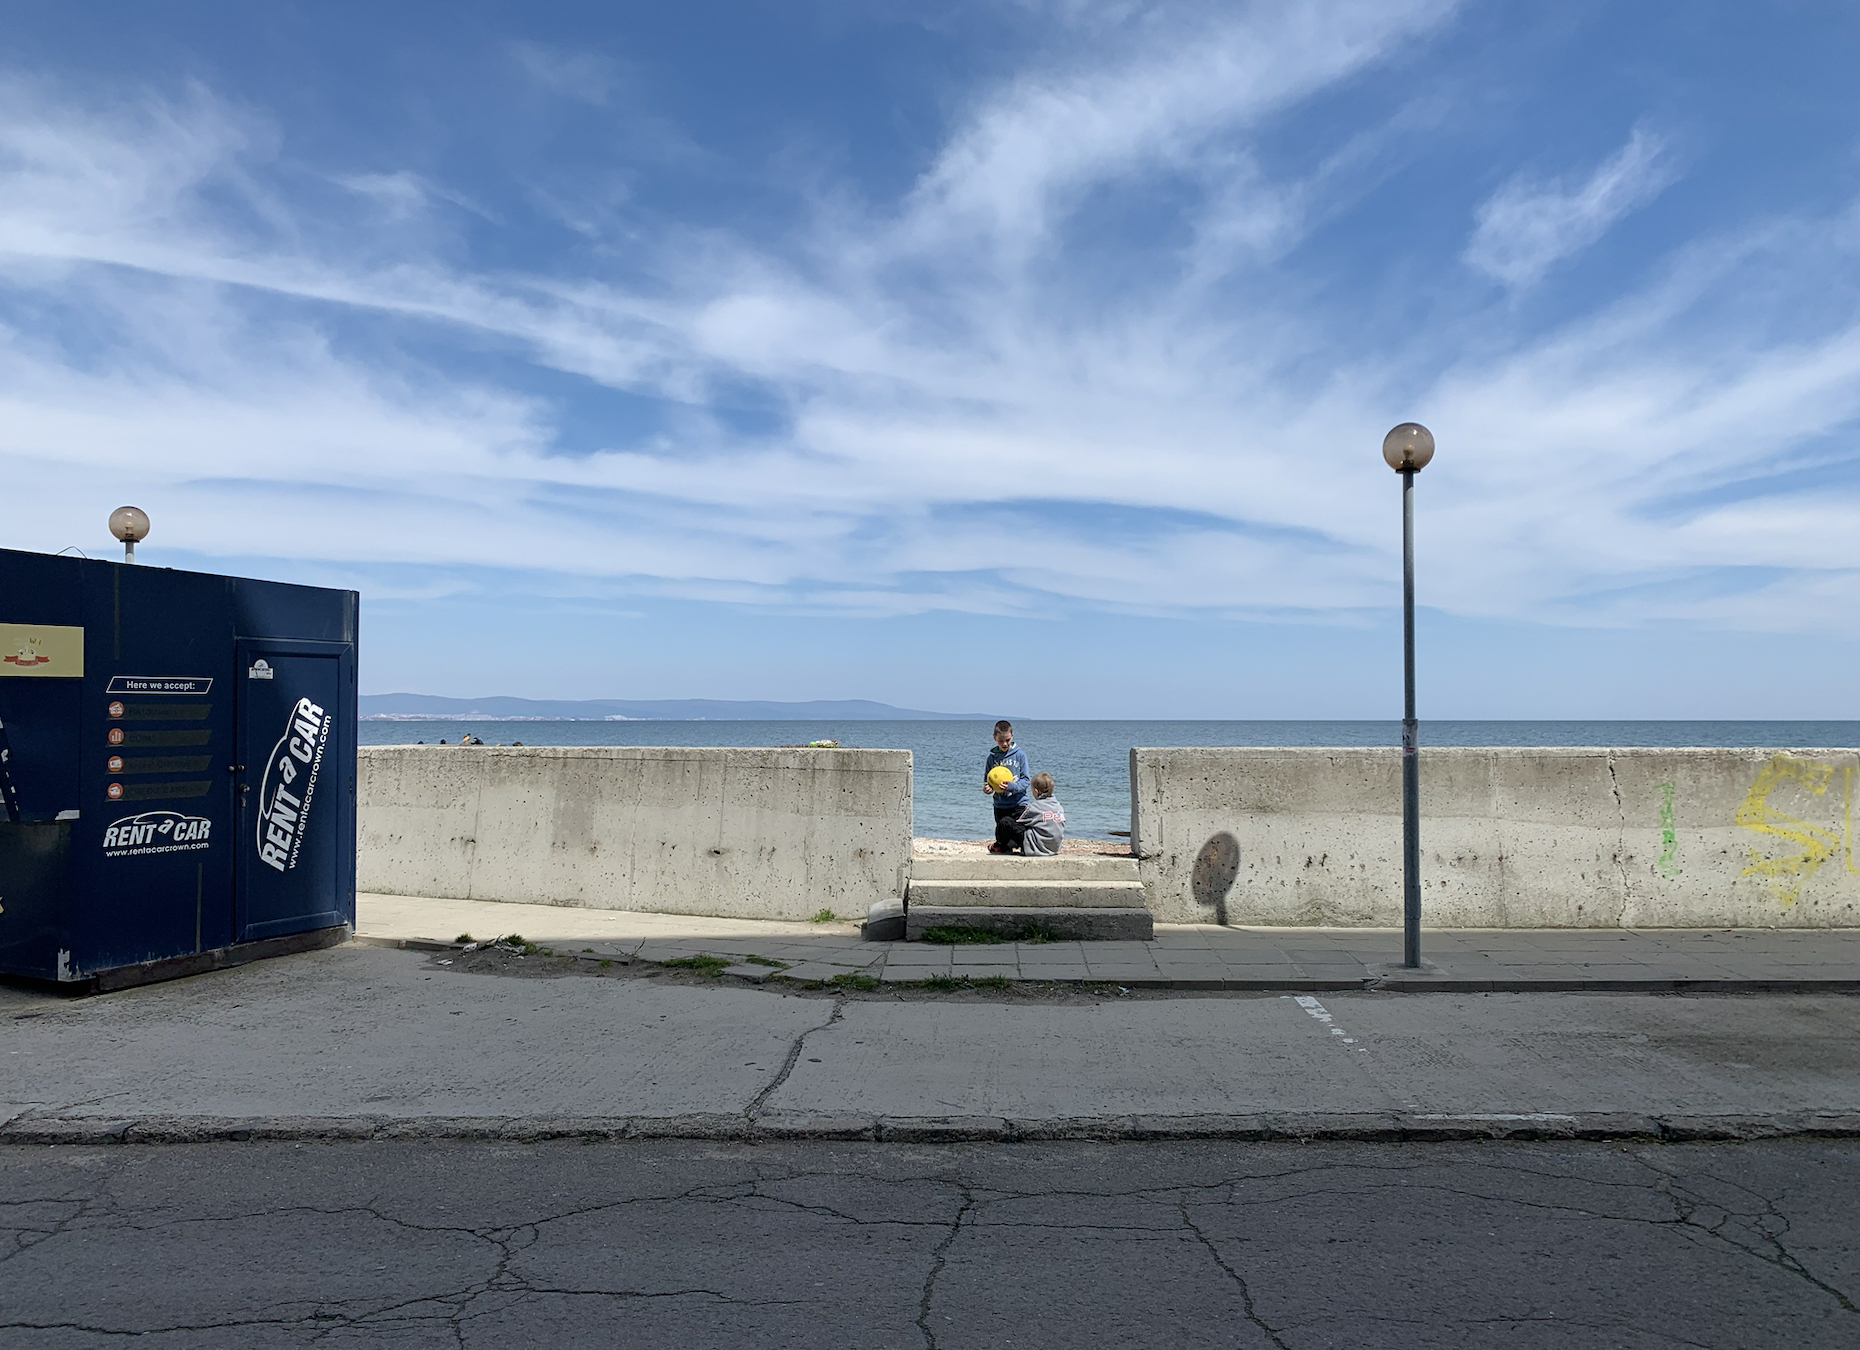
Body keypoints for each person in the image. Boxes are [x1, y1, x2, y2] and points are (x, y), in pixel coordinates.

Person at [982, 719, 1030, 853]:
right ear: (994, 738)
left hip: (1018, 803)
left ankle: (1026, 847)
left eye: (1007, 740)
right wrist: (988, 789)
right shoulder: (992, 758)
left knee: (1018, 831)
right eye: (1001, 741)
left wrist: (1011, 786)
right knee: (1003, 834)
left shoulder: (1020, 755)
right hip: (1000, 805)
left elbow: (1026, 780)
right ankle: (1003, 846)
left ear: (1012, 736)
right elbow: (987, 781)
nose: (1004, 744)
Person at [1015, 773, 1066, 855]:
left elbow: (1020, 822)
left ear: (1036, 791)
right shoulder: (1058, 806)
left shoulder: (1035, 806)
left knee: (1006, 823)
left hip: (1037, 845)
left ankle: (1001, 846)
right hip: (1054, 846)